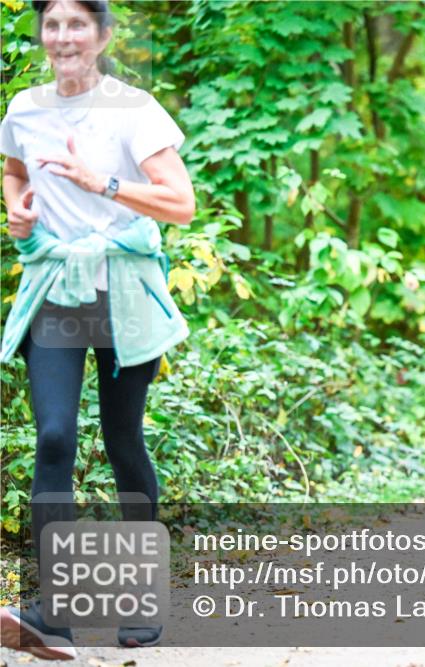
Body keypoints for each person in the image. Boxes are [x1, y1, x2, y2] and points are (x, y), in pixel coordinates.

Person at [0, 0, 194, 659]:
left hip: (124, 290)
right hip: (56, 285)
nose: (62, 37)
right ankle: (52, 608)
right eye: (52, 25)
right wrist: (17, 213)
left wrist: (103, 182)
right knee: (53, 436)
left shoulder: (133, 110)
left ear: (103, 34)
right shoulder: (25, 107)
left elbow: (181, 202)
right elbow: (14, 169)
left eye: (76, 24)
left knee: (121, 438)